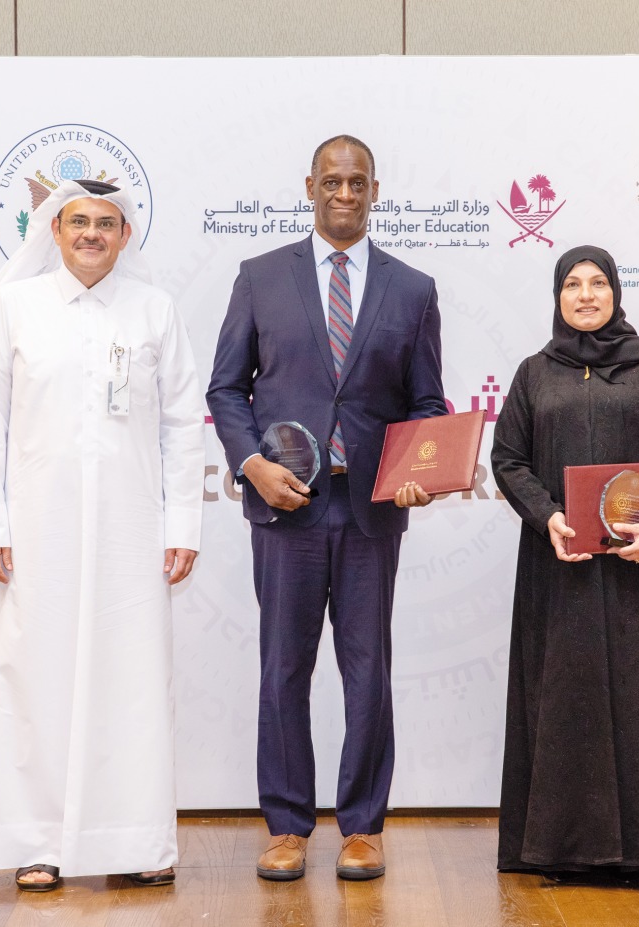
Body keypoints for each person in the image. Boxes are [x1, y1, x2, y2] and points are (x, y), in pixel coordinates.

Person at [0, 179, 205, 892]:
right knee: (37, 679)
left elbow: (183, 423)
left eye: (107, 223)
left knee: (133, 682)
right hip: (36, 530)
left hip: (132, 533)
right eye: (79, 221)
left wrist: (182, 523)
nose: (92, 233)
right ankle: (40, 842)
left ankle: (135, 840)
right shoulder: (14, 307)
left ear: (126, 236)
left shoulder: (155, 310)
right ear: (54, 231)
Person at [206, 135, 447, 882]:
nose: (344, 193)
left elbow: (426, 402)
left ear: (377, 189)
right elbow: (225, 389)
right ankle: (286, 825)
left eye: (358, 182)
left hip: (372, 508)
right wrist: (252, 465)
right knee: (284, 668)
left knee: (367, 668)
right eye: (332, 181)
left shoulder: (412, 288)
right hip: (287, 509)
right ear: (309, 185)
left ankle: (363, 825)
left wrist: (420, 474)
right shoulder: (259, 277)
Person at [490, 245, 639, 884]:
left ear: (616, 292)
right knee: (562, 696)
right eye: (573, 286)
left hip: (635, 568)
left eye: (598, 284)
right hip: (559, 567)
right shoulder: (536, 373)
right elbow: (509, 460)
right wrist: (548, 516)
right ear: (557, 297)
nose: (586, 296)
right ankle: (557, 850)